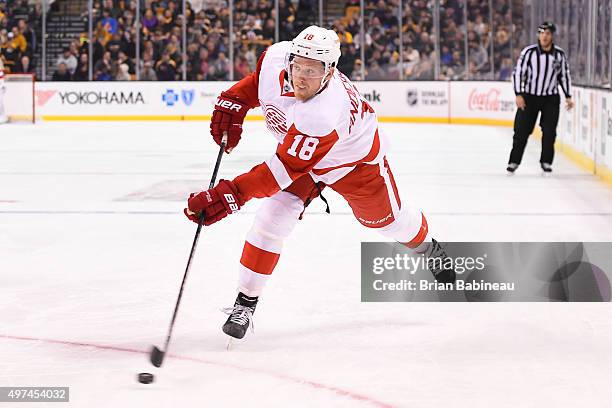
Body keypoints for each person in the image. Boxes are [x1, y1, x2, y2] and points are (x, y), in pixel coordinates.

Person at [184, 25, 456, 341]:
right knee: (272, 218)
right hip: (301, 154)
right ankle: (245, 303)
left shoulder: (325, 112)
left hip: (353, 165)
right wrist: (235, 101)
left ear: (330, 71)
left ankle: (428, 248)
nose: (301, 77)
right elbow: (258, 84)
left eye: (312, 71)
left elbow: (278, 172)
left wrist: (230, 195)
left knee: (388, 223)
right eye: (297, 66)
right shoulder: (275, 58)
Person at [507, 21, 574, 174]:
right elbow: (518, 73)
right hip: (530, 96)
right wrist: (519, 94)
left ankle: (546, 161)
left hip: (550, 98)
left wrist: (568, 95)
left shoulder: (559, 55)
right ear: (538, 35)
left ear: (552, 36)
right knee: (521, 131)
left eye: (548, 33)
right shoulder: (529, 52)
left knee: (550, 131)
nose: (544, 36)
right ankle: (514, 161)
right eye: (542, 33)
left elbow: (564, 76)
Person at [0, 59, 7, 124]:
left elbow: (2, 78)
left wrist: (3, 86)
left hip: (1, 88)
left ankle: (3, 117)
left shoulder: (1, 72)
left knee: (0, 102)